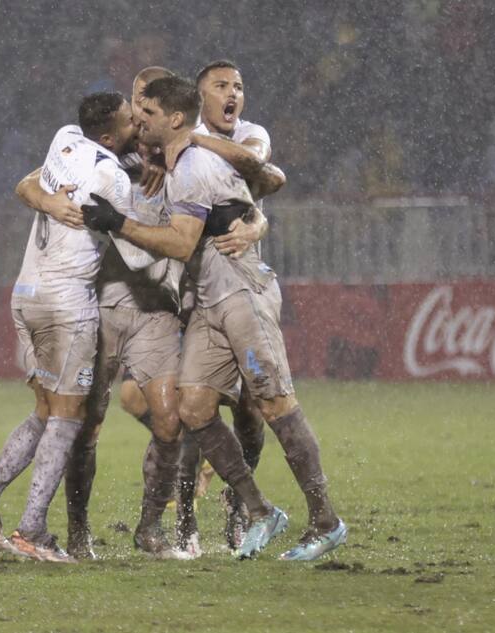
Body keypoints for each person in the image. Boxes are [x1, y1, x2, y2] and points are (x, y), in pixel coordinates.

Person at [85, 75, 347, 561]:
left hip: (241, 290)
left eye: (148, 114)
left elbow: (185, 241)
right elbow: (259, 186)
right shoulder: (175, 161)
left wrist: (116, 223)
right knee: (194, 409)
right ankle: (259, 509)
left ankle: (325, 520)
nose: (138, 120)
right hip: (205, 299)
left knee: (273, 404)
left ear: (175, 118)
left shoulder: (195, 163)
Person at [0, 92, 140, 562]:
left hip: (26, 294)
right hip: (66, 303)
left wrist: (45, 199)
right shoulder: (112, 176)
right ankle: (33, 529)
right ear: (109, 136)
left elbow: (29, 183)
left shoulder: (64, 139)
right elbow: (136, 246)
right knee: (68, 416)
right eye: (130, 119)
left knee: (44, 409)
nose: (138, 121)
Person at [120, 59, 283, 551]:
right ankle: (184, 517)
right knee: (185, 405)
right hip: (185, 294)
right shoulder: (151, 147)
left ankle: (240, 510)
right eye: (221, 86)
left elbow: (266, 174)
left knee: (253, 409)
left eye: (237, 86)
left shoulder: (247, 134)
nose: (232, 94)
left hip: (242, 285)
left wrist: (258, 224)